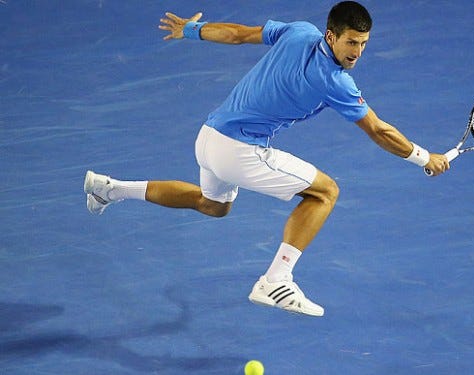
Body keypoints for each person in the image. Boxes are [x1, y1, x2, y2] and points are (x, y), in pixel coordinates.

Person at [84, 1, 449, 317]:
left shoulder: (297, 31)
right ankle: (276, 281)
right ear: (331, 36)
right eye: (351, 42)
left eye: (364, 44)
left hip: (209, 135)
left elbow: (240, 34)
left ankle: (109, 190)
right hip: (238, 148)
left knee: (212, 205)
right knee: (325, 192)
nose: (357, 52)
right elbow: (379, 131)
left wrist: (192, 30)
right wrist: (422, 157)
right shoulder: (335, 81)